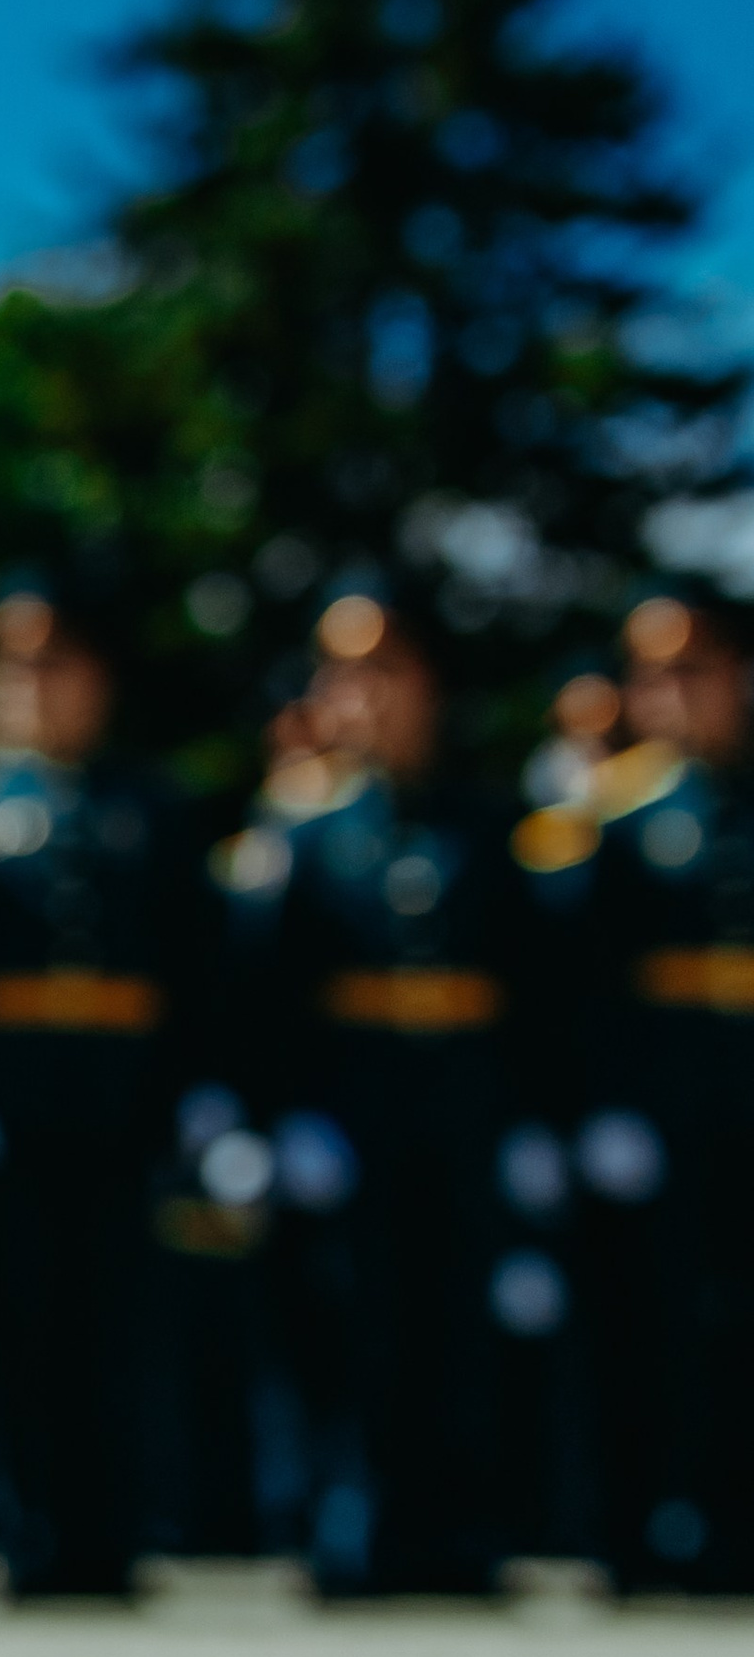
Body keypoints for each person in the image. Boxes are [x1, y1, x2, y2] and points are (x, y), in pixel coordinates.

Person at [0, 580, 206, 1600]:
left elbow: (191, 971)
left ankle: (111, 1533)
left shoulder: (153, 808)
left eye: (55, 664)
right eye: (13, 664)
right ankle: (23, 1529)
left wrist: (196, 1098)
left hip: (119, 1105)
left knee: (119, 1325)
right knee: (14, 1325)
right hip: (6, 1107)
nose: (31, 687)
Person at [249, 581, 533, 1598]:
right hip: (351, 1116)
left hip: (462, 1109)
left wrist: (535, 1122)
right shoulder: (307, 835)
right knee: (346, 1328)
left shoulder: (493, 825)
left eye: (384, 669)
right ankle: (349, 1530)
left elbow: (538, 991)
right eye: (342, 672)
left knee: (459, 1327)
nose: (361, 695)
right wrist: (278, 1121)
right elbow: (268, 999)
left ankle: (459, 1533)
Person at [559, 585, 754, 1592]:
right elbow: (573, 982)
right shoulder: (608, 814)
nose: (672, 695)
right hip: (660, 1104)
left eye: (694, 669)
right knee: (651, 1320)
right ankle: (642, 1526)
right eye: (652, 675)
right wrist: (597, 1104)